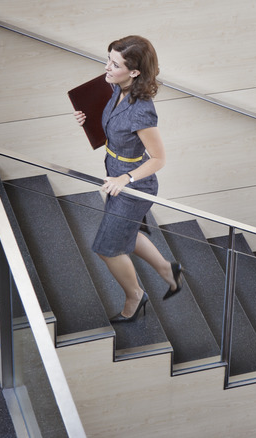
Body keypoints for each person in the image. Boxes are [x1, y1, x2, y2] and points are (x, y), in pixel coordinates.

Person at [74, 35, 183, 323]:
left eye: (114, 64)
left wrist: (125, 179)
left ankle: (136, 295)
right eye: (108, 60)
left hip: (134, 185)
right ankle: (167, 270)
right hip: (117, 177)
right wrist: (93, 122)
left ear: (134, 72)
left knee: (107, 249)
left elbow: (159, 159)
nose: (106, 68)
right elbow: (116, 123)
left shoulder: (142, 110)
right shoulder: (117, 87)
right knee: (127, 234)